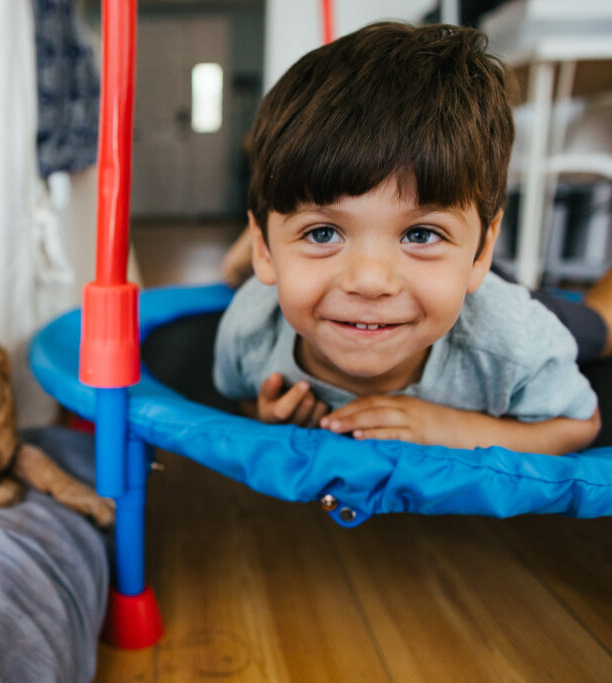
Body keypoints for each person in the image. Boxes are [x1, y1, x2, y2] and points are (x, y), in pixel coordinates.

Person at [213, 22, 602, 455]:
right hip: (441, 277)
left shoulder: (514, 343)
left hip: (491, 301)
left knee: (599, 329)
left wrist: (452, 429)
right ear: (265, 250)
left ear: (483, 250)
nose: (370, 281)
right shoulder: (250, 330)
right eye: (323, 232)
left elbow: (578, 423)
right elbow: (242, 397)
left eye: (420, 232)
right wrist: (265, 418)